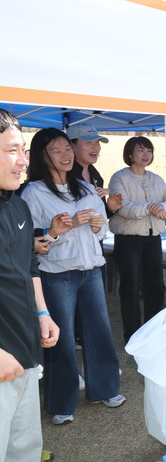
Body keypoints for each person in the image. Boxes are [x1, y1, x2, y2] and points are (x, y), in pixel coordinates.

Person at [21, 127, 125, 426]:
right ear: (42, 156)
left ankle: (106, 389)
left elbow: (102, 231)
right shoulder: (33, 193)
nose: (65, 155)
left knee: (99, 331)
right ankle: (61, 403)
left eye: (67, 148)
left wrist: (96, 226)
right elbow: (31, 241)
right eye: (56, 150)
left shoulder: (86, 188)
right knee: (62, 340)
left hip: (91, 270)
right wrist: (57, 230)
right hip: (57, 274)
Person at [0, 110, 60, 462]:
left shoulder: (18, 204)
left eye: (23, 151)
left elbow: (29, 267)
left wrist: (43, 313)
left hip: (25, 353)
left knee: (23, 451)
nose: (23, 161)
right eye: (12, 151)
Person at [107, 137, 166, 343]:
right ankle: (132, 334)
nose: (146, 154)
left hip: (153, 238)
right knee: (130, 288)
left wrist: (162, 209)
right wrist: (149, 208)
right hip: (128, 240)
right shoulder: (119, 178)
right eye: (140, 150)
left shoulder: (157, 179)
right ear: (130, 155)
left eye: (149, 150)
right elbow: (122, 207)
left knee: (155, 286)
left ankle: (153, 331)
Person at [66, 124, 122, 215]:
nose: (95, 147)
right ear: (71, 145)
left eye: (97, 142)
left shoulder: (96, 176)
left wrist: (111, 208)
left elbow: (98, 213)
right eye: (88, 142)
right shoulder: (64, 175)